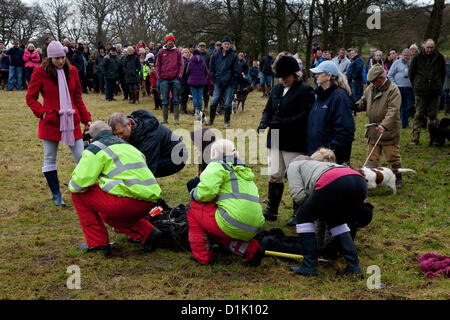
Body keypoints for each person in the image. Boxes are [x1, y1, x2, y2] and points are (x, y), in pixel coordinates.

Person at [69, 121, 163, 256]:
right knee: (107, 216)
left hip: (126, 203)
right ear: (110, 130)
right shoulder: (129, 146)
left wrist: (71, 184)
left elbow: (79, 184)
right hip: (149, 202)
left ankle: (98, 245)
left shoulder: (95, 148)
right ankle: (149, 233)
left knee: (77, 194)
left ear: (92, 138)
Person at [25, 41, 92, 206]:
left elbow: (77, 97)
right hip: (51, 121)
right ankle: (56, 195)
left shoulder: (73, 71)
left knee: (82, 158)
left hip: (71, 120)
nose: (60, 61)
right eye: (56, 59)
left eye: (62, 57)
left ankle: (82, 192)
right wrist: (42, 113)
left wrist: (86, 118)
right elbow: (30, 97)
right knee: (49, 157)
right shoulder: (40, 72)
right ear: (49, 58)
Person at [186, 139, 266, 266]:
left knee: (192, 207)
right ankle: (250, 248)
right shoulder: (243, 170)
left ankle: (202, 256)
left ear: (215, 152)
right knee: (216, 223)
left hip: (232, 222)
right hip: (255, 226)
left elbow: (205, 193)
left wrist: (192, 193)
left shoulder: (217, 165)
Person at [286, 154, 367, 276]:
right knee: (337, 221)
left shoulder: (293, 165)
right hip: (359, 182)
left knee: (303, 217)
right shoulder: (320, 165)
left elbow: (298, 195)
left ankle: (309, 265)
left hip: (333, 183)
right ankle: (353, 266)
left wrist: (313, 210)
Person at [257, 56, 315, 225]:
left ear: (294, 74)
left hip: (294, 139)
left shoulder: (305, 90)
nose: (282, 80)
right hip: (274, 137)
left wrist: (283, 123)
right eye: (280, 77)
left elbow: (304, 115)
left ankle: (299, 214)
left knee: (295, 177)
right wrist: (263, 122)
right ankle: (272, 210)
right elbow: (268, 109)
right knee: (274, 174)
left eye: (285, 77)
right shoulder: (276, 89)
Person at [356, 64, 404, 187]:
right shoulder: (370, 88)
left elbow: (393, 110)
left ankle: (397, 178)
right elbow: (363, 102)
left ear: (381, 78)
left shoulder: (393, 90)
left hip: (389, 130)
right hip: (373, 130)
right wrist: (354, 106)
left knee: (392, 155)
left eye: (374, 81)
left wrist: (384, 125)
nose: (372, 83)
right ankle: (370, 179)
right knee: (372, 157)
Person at [108, 110, 187, 178]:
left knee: (138, 168)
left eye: (121, 133)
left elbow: (147, 165)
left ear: (129, 124)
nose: (119, 138)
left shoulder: (149, 135)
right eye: (116, 135)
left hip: (177, 157)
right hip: (160, 152)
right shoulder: (129, 128)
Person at [307, 60, 355, 165]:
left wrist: (331, 152)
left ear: (329, 76)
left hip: (329, 158)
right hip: (315, 155)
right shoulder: (319, 96)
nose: (315, 76)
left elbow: (345, 130)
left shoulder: (340, 97)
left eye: (319, 73)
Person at [409, 39, 446, 145]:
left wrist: (438, 85)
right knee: (419, 114)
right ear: (423, 46)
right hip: (421, 91)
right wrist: (417, 85)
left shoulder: (440, 58)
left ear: (434, 47)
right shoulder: (417, 58)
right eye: (428, 47)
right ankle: (415, 138)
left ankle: (435, 138)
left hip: (435, 91)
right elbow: (412, 73)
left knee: (433, 115)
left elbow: (442, 74)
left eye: (432, 47)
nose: (429, 49)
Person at [206, 36, 241, 128]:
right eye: (225, 44)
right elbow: (211, 68)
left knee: (227, 103)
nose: (226, 45)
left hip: (229, 83)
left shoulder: (234, 56)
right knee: (213, 102)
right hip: (218, 83)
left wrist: (232, 80)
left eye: (228, 44)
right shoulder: (215, 56)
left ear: (230, 45)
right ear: (222, 45)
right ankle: (211, 120)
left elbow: (237, 70)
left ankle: (226, 122)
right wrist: (214, 79)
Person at [156, 33, 184, 124]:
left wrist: (179, 75)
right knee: (164, 100)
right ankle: (165, 119)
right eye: (169, 41)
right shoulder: (161, 52)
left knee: (176, 99)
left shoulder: (178, 52)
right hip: (164, 79)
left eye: (172, 41)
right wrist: (159, 76)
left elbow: (181, 64)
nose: (171, 42)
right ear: (166, 42)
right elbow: (158, 65)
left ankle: (176, 119)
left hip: (175, 79)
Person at [388, 48, 413, 128]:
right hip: (399, 88)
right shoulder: (396, 63)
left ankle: (405, 124)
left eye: (407, 55)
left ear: (410, 55)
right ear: (402, 55)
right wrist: (395, 84)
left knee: (407, 107)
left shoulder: (412, 63)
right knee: (398, 106)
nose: (406, 57)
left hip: (409, 88)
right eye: (404, 55)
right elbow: (389, 75)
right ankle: (396, 123)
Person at [187, 49, 208, 121]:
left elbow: (187, 71)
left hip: (192, 81)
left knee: (195, 97)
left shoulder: (190, 61)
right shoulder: (203, 61)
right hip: (201, 81)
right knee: (200, 96)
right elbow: (206, 71)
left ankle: (196, 112)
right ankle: (201, 111)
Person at [180, 48, 191, 114]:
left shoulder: (187, 60)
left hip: (186, 80)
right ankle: (182, 109)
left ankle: (184, 108)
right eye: (185, 52)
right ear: (182, 54)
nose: (187, 54)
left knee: (185, 94)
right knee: (184, 94)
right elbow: (185, 71)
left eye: (188, 52)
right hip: (183, 80)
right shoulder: (183, 61)